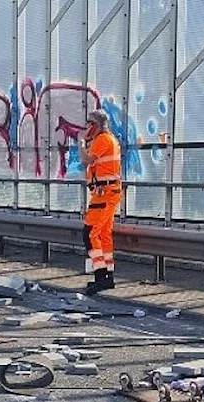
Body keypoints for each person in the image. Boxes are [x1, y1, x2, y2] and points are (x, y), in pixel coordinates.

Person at [79, 109, 123, 294]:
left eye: (89, 123)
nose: (87, 126)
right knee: (102, 234)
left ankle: (101, 275)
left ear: (96, 125)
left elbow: (86, 160)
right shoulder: (108, 139)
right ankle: (107, 277)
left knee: (91, 234)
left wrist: (81, 144)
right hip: (105, 193)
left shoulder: (102, 140)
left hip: (105, 194)